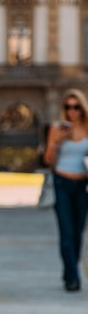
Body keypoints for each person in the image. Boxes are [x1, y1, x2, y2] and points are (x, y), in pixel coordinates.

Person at [43, 89, 88, 291]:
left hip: (83, 186)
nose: (72, 111)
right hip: (62, 182)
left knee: (78, 232)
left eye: (76, 107)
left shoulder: (87, 128)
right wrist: (57, 141)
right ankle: (73, 278)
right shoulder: (57, 128)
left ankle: (70, 269)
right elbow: (47, 160)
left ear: (82, 108)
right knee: (66, 232)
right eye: (68, 107)